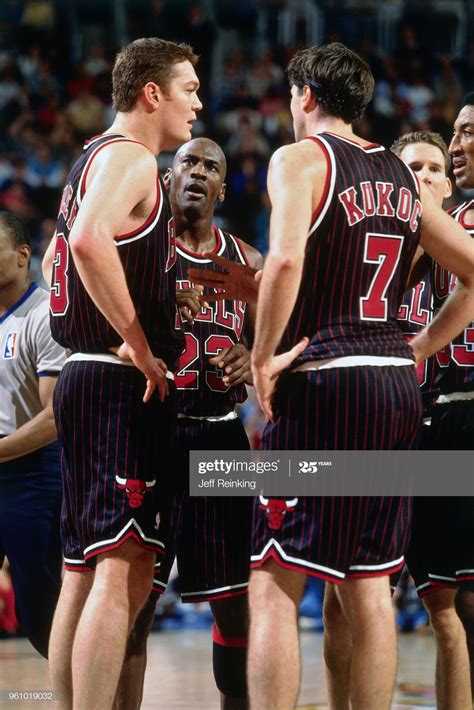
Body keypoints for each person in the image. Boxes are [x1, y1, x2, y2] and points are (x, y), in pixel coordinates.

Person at [246, 43, 474, 710]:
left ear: (306, 96)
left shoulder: (300, 159)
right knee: (369, 582)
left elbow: (287, 259)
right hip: (393, 385)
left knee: (272, 578)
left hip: (326, 380)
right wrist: (422, 347)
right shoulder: (400, 177)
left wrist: (262, 359)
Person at [41, 38, 201, 710]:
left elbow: (69, 256)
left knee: (83, 571)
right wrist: (137, 339)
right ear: (152, 93)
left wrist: (165, 295)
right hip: (113, 384)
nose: (198, 101)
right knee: (122, 563)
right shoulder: (133, 158)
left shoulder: (89, 160)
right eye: (188, 88)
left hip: (86, 376)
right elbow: (84, 243)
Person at [323, 131, 471, 710]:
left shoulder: (462, 240)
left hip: (444, 432)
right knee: (349, 596)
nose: (428, 175)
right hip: (370, 430)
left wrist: (419, 349)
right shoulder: (361, 242)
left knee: (448, 605)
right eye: (415, 167)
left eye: (437, 167)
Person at [116, 137, 262, 710]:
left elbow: (274, 341)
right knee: (135, 601)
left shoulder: (245, 262)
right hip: (152, 432)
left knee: (234, 600)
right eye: (188, 164)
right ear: (167, 178)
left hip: (223, 433)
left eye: (211, 167)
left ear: (224, 188)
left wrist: (252, 352)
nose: (198, 173)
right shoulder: (141, 251)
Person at [0, 211, 64, 658]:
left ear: (23, 255)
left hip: (32, 478)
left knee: (40, 615)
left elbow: (54, 418)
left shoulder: (45, 316)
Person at [429, 93, 474, 698]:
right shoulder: (449, 225)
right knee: (450, 600)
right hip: (428, 421)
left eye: (470, 134)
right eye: (455, 134)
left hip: (460, 413)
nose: (459, 145)